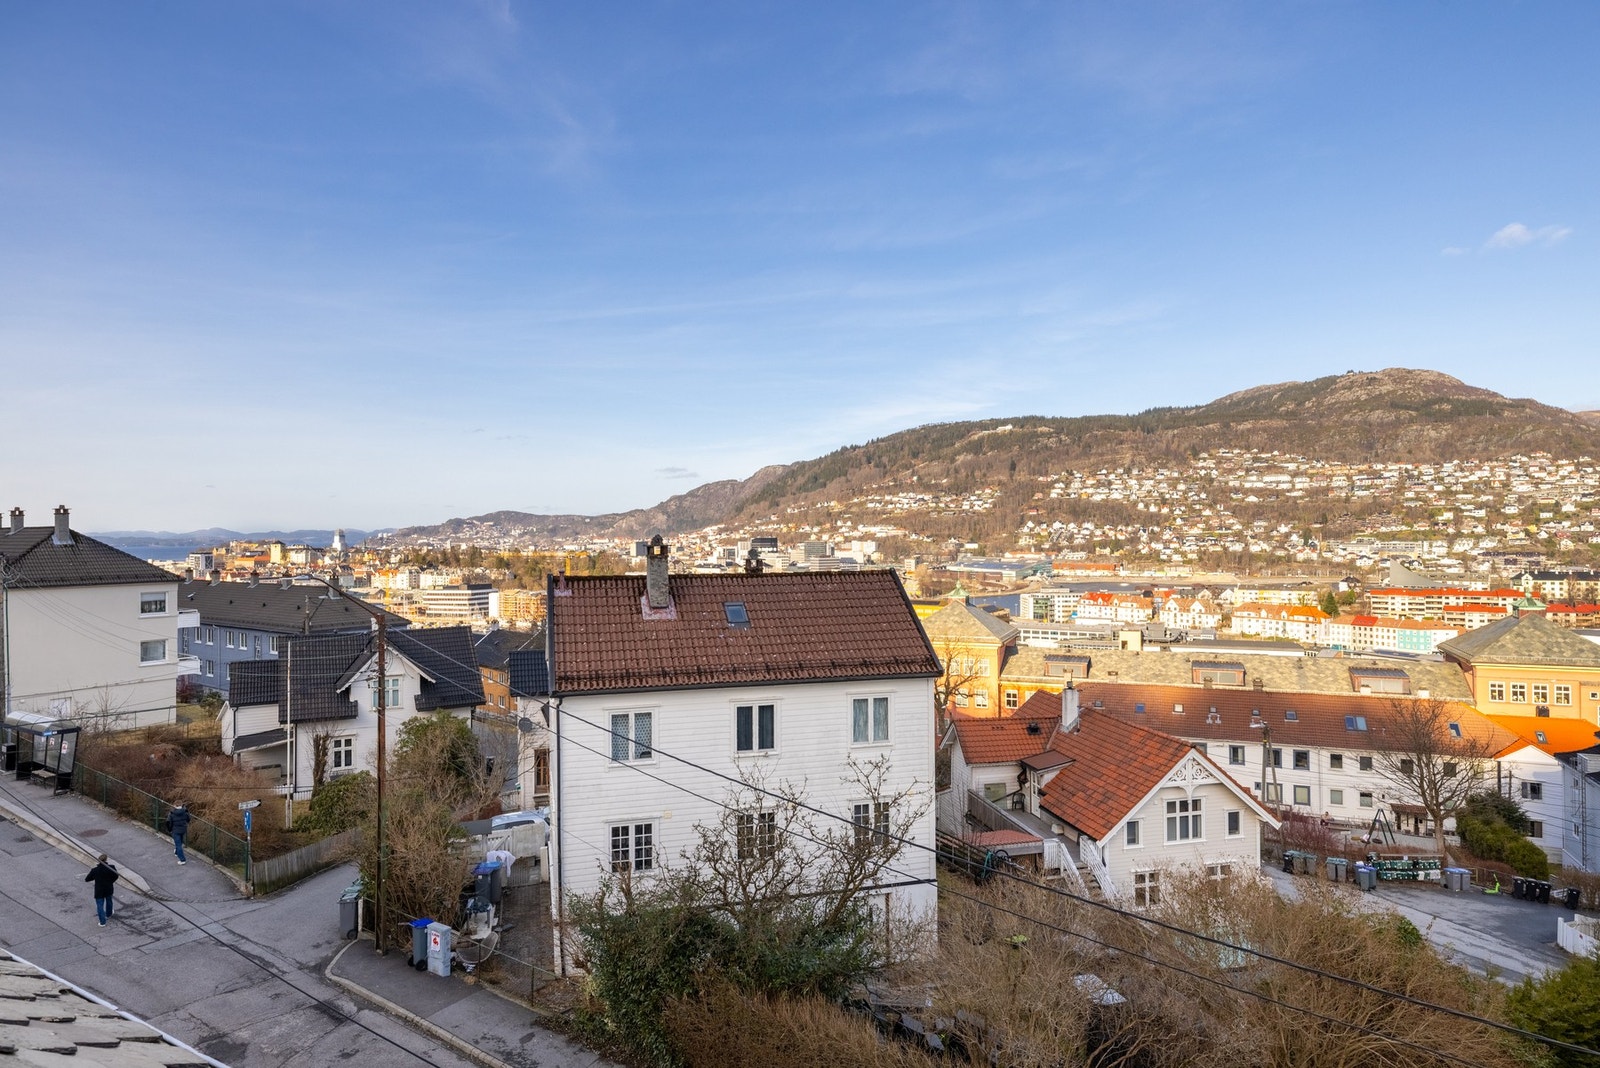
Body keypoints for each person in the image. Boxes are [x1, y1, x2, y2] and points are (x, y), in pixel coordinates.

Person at [85, 854, 118, 926]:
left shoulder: (94, 870)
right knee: (109, 901)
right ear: (106, 860)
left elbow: (87, 879)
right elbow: (116, 876)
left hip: (99, 890)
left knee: (100, 905)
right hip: (108, 887)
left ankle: (102, 922)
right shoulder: (111, 867)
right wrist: (110, 881)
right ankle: (109, 914)